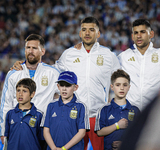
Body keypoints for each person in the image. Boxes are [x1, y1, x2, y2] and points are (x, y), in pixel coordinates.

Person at [12, 16, 120, 150]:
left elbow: (120, 80)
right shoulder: (69, 54)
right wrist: (25, 65)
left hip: (98, 117)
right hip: (73, 117)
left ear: (98, 33)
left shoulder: (108, 55)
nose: (87, 33)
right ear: (80, 33)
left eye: (91, 30)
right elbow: (50, 73)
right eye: (84, 30)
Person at [0, 34, 60, 144]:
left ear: (43, 51)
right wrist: (3, 131)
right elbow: (6, 103)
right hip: (17, 128)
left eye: (34, 48)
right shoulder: (13, 73)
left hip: (43, 130)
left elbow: (67, 94)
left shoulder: (53, 73)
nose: (30, 51)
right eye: (28, 48)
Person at [118, 18, 160, 111]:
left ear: (151, 34)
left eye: (142, 32)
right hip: (129, 114)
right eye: (136, 33)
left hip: (155, 113)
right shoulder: (123, 57)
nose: (139, 36)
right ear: (132, 36)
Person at [43, 71, 89, 150]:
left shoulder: (81, 106)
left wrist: (64, 148)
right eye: (61, 85)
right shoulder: (51, 105)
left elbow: (82, 132)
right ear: (58, 86)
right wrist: (53, 148)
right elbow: (46, 130)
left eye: (68, 85)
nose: (64, 88)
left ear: (75, 87)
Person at [95, 69, 140, 150]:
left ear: (129, 87)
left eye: (125, 85)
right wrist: (117, 126)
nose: (122, 88)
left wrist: (125, 144)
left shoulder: (135, 110)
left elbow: (140, 134)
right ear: (112, 87)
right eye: (118, 85)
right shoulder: (104, 109)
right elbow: (99, 132)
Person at [4, 78, 44, 150]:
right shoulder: (10, 114)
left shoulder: (39, 115)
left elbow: (42, 140)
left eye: (24, 91)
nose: (20, 94)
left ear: (32, 94)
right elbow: (7, 138)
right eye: (18, 90)